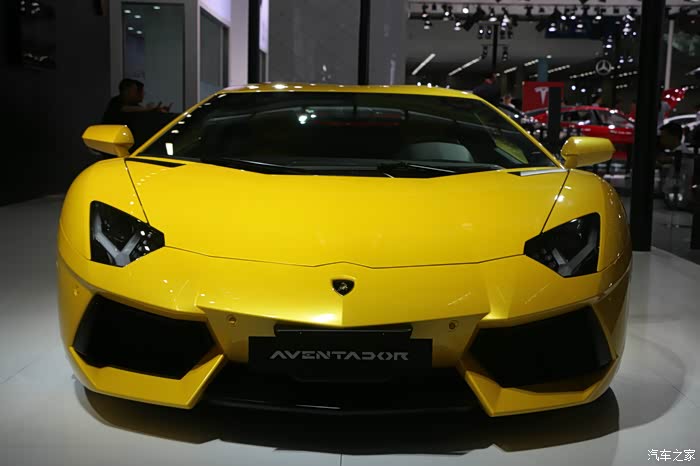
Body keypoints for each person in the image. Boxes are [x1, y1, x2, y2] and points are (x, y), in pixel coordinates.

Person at [102, 78, 171, 124]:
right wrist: (147, 109)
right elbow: (124, 109)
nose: (137, 93)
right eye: (134, 91)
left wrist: (160, 112)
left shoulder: (135, 105)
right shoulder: (115, 102)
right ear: (126, 92)